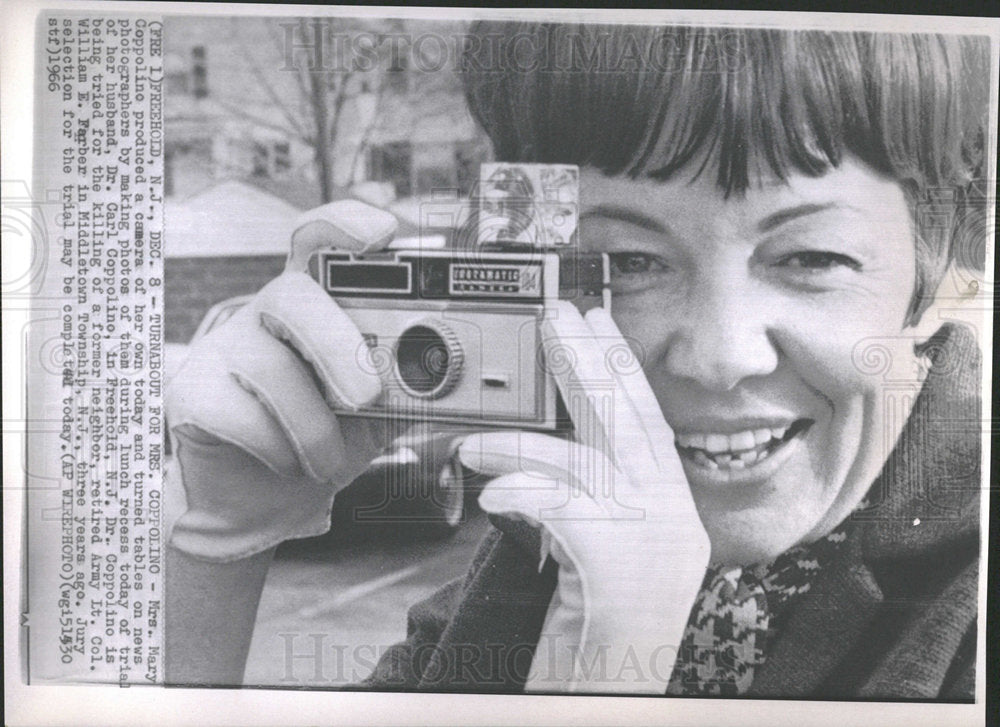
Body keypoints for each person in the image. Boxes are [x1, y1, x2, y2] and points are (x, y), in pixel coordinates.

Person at [164, 22, 988, 697]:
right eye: (627, 261)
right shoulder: (529, 565)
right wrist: (210, 557)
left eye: (810, 258)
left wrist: (595, 688)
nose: (717, 357)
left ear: (937, 251)